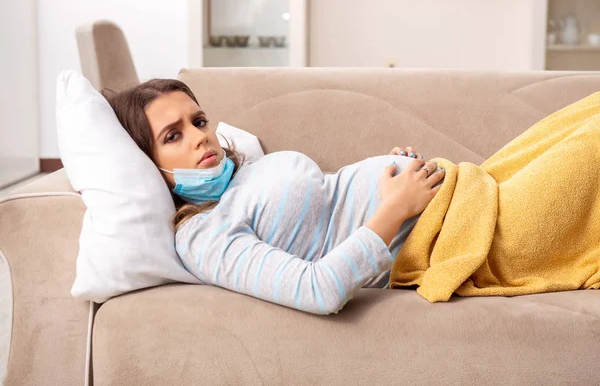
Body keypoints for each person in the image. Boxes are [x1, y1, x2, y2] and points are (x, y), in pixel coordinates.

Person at [104, 79, 446, 315]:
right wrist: (396, 208)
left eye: (200, 121)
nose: (199, 137)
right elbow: (319, 290)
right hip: (441, 237)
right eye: (173, 136)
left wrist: (389, 171)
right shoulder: (203, 235)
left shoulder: (248, 171)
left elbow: (333, 208)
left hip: (448, 193)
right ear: (147, 163)